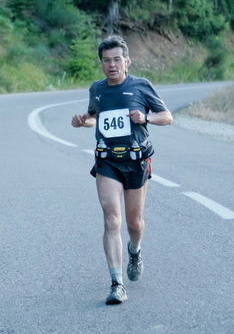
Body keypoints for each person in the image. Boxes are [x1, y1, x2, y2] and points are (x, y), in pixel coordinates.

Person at [71, 35, 173, 305]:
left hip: (136, 161)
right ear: (101, 64)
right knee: (111, 220)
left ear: (127, 61)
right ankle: (117, 283)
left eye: (117, 59)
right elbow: (94, 117)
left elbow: (167, 117)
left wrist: (146, 117)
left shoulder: (141, 86)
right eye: (107, 60)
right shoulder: (97, 89)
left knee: (134, 223)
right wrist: (83, 121)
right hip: (107, 162)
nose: (112, 65)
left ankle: (135, 250)